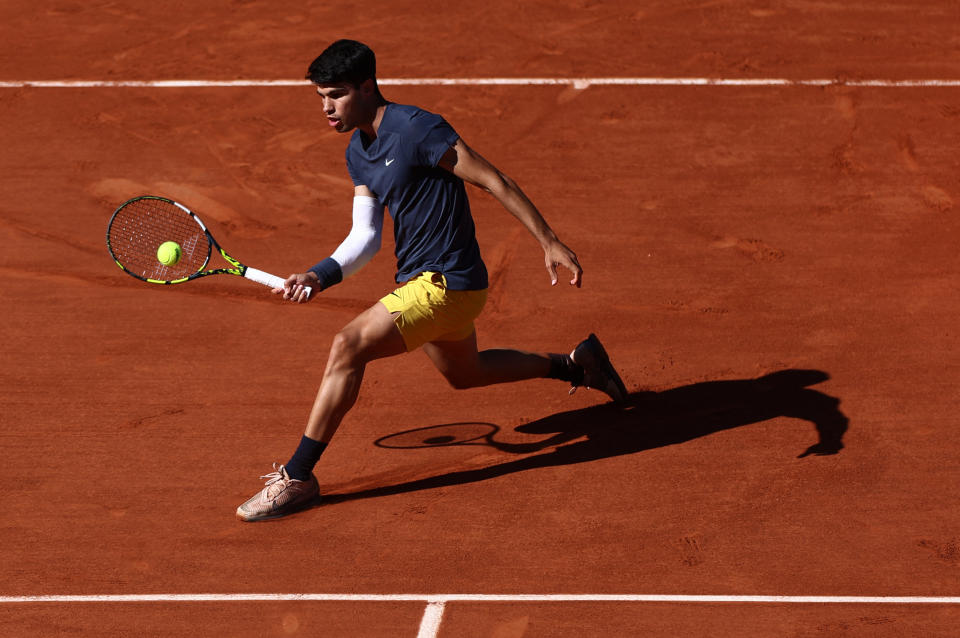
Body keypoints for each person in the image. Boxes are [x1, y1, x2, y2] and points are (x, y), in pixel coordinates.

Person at [236, 40, 627, 521]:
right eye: (320, 97)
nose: (325, 108)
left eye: (335, 95)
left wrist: (548, 240)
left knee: (347, 345)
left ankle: (297, 477)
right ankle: (575, 364)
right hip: (427, 285)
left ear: (366, 86)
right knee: (467, 375)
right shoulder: (358, 153)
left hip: (447, 281)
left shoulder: (418, 128)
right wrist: (318, 275)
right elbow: (365, 238)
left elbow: (493, 179)